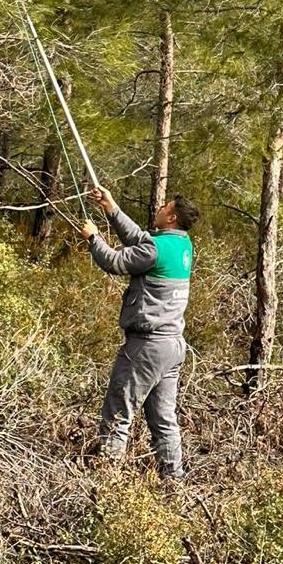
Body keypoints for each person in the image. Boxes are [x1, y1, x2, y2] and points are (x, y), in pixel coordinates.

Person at [81, 185, 198, 479]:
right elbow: (140, 241)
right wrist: (111, 208)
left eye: (164, 208)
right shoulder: (182, 245)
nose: (159, 209)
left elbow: (115, 262)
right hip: (172, 348)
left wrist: (93, 238)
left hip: (146, 347)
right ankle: (174, 484)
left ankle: (107, 485)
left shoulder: (156, 249)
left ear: (171, 218)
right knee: (164, 422)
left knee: (117, 415)